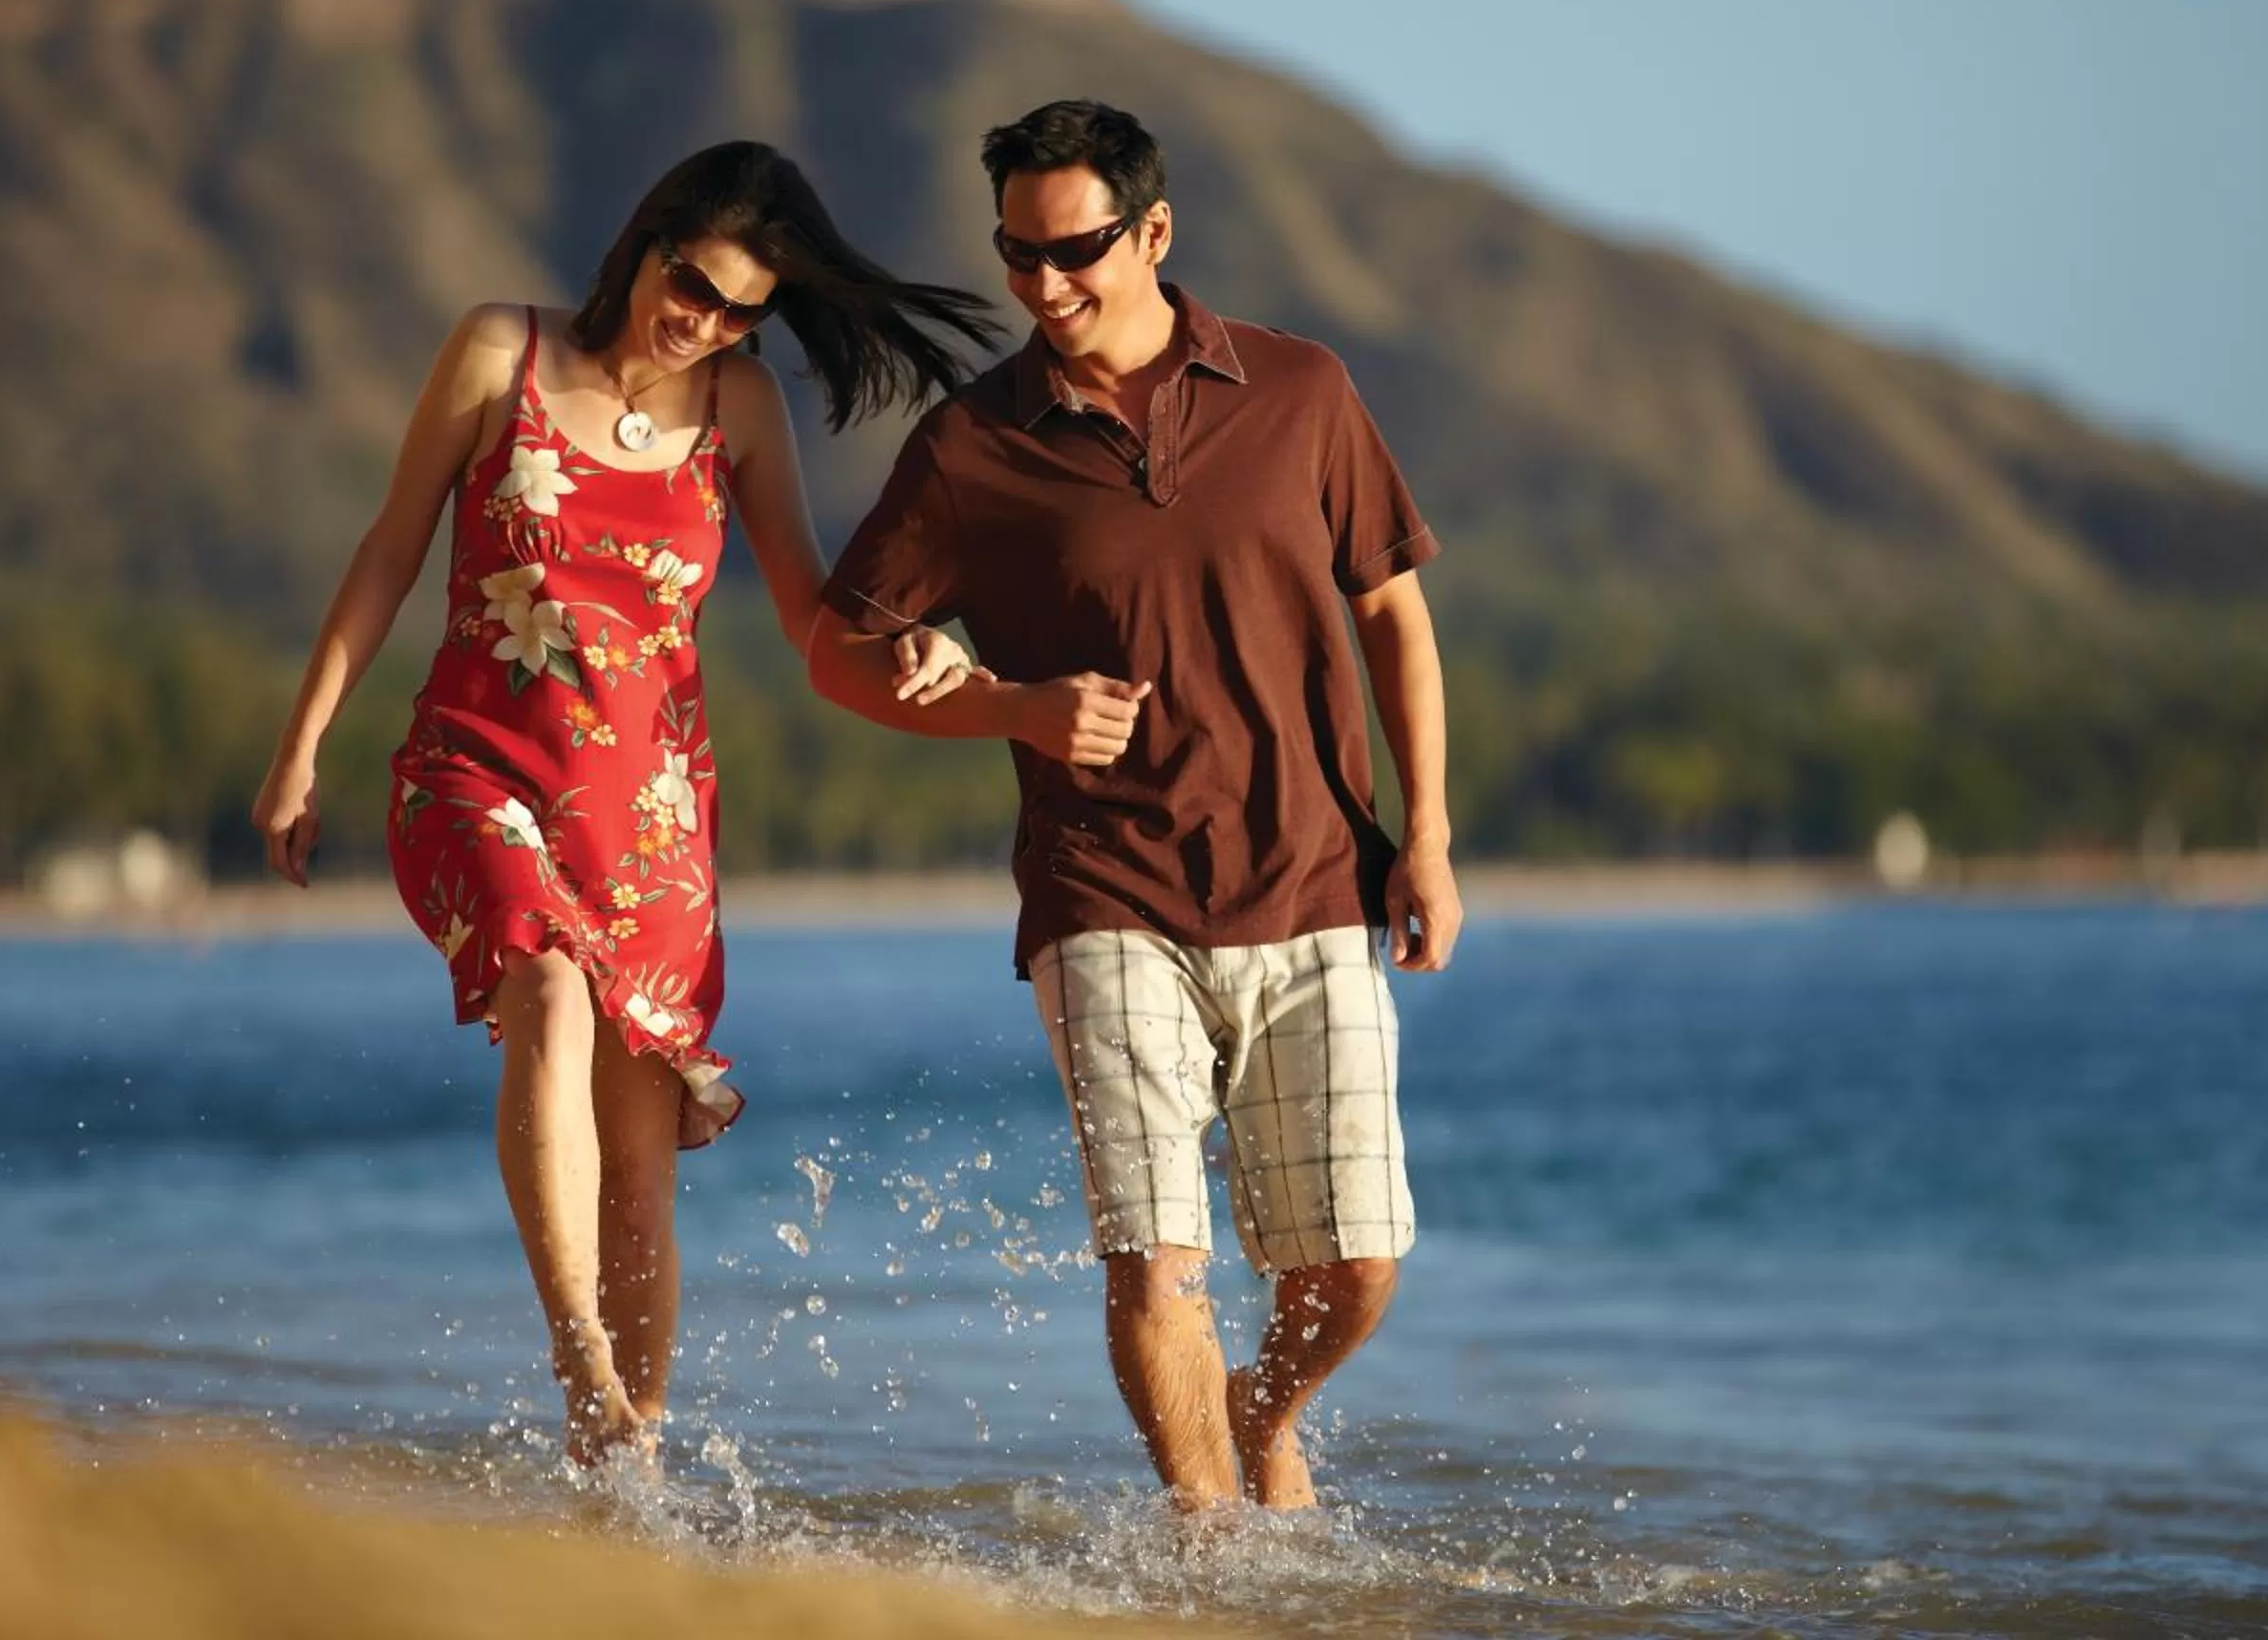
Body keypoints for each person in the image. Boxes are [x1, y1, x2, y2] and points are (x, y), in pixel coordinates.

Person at [252, 142, 999, 1466]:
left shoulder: (742, 409)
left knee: (641, 1181)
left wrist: (923, 642)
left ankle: (627, 1470)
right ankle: (582, 1362)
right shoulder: (501, 353)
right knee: (538, 989)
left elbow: (811, 618)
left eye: (737, 311)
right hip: (475, 771)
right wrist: (300, 746)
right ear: (647, 240)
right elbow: (389, 548)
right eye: (693, 284)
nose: (702, 322)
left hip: (650, 824)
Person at [807, 98, 1462, 1511]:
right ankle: (1209, 1561)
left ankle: (1260, 1407)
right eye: (1018, 257)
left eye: (1076, 251)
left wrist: (1434, 841)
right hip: (1102, 888)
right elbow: (836, 652)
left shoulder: (1302, 391)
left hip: (1314, 877)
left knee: (1355, 1267)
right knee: (1155, 1257)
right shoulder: (972, 449)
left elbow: (1395, 615)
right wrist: (1009, 708)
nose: (1045, 286)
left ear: (1154, 232)